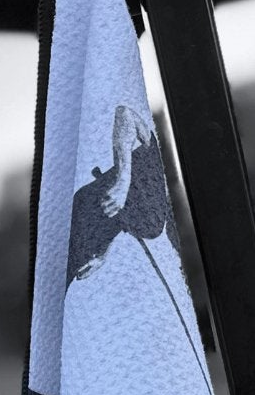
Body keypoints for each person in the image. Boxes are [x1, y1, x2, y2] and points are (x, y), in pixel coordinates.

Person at [65, 104, 178, 289]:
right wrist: (122, 182)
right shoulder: (160, 164)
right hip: (74, 217)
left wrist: (102, 255)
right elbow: (124, 115)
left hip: (89, 243)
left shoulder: (155, 226)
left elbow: (120, 220)